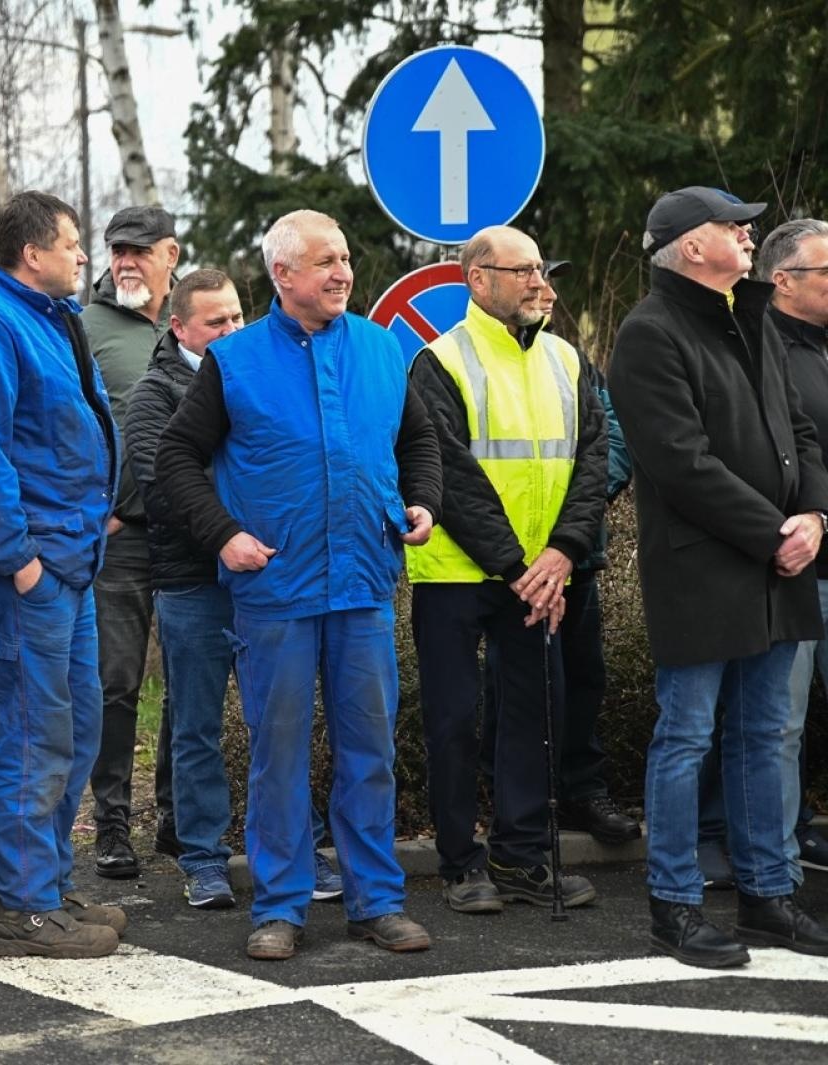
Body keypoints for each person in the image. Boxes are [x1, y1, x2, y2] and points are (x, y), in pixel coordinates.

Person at [155, 209, 440, 961]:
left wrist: (423, 501)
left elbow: (418, 440)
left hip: (364, 582)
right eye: (325, 262)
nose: (343, 272)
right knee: (278, 755)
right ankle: (279, 906)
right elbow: (176, 458)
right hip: (276, 588)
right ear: (283, 274)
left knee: (369, 751)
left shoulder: (383, 349)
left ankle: (377, 901)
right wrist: (224, 534)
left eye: (344, 258)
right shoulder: (234, 361)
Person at [609, 186, 828, 968]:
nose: (748, 234)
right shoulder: (648, 333)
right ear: (691, 245)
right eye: (733, 225)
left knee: (765, 733)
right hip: (705, 568)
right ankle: (674, 905)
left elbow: (798, 430)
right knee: (687, 737)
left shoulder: (752, 316)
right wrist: (775, 533)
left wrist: (815, 515)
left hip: (780, 562)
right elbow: (681, 462)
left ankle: (769, 894)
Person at [0, 190, 126, 959]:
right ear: (32, 252)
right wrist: (18, 560)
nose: (82, 255)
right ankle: (21, 909)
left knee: (73, 727)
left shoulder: (52, 318)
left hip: (70, 559)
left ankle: (49, 885)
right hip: (30, 569)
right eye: (72, 242)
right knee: (31, 731)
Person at [407, 226, 608, 917]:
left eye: (540, 269)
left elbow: (592, 461)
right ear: (478, 279)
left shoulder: (566, 359)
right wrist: (520, 566)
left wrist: (564, 552)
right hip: (458, 575)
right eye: (522, 270)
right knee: (453, 722)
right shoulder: (440, 361)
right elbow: (451, 477)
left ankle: (520, 857)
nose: (538, 282)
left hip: (543, 575)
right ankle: (461, 862)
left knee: (534, 717)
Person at [478, 260, 641, 849]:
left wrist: (575, 522)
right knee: (515, 685)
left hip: (575, 556)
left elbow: (613, 436)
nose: (546, 291)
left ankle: (581, 790)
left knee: (582, 676)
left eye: (549, 280)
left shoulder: (568, 358)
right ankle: (513, 801)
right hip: (506, 562)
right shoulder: (467, 361)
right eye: (533, 278)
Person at [122, 267, 243, 906]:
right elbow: (161, 486)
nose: (230, 330)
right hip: (193, 581)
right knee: (196, 727)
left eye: (237, 317)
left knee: (277, 724)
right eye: (215, 322)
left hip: (263, 578)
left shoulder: (255, 373)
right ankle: (202, 857)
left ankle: (297, 848)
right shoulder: (154, 394)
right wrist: (234, 527)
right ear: (179, 328)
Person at [83, 205, 181, 876]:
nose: (125, 261)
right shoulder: (85, 328)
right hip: (118, 538)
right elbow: (66, 426)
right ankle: (112, 823)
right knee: (115, 683)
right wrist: (100, 509)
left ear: (170, 255)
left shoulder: (195, 322)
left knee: (188, 683)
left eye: (140, 250)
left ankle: (178, 819)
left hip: (190, 537)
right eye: (117, 249)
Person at [760, 218, 828, 875]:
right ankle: (774, 861)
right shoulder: (760, 349)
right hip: (796, 566)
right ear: (783, 280)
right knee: (780, 723)